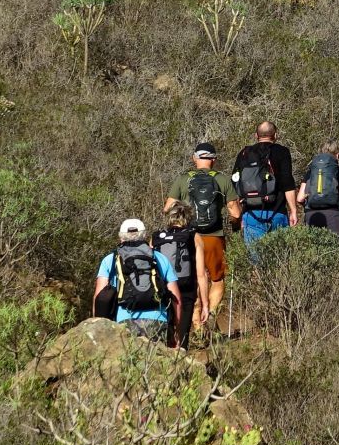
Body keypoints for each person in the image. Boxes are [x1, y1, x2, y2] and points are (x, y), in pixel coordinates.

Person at [163, 143, 238, 338]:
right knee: (217, 279)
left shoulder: (183, 179)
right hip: (214, 236)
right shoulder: (222, 179)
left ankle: (196, 323)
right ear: (214, 159)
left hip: (188, 237)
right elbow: (235, 212)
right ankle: (210, 315)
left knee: (194, 278)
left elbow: (167, 208)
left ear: (194, 158)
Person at [95, 219, 181, 343]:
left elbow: (99, 296)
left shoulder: (110, 259)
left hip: (124, 321)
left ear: (121, 237)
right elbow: (176, 299)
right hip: (158, 320)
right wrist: (176, 329)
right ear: (144, 235)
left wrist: (97, 326)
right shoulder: (160, 258)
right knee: (156, 355)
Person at [231, 121, 297, 246]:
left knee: (255, 255)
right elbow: (287, 182)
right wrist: (293, 210)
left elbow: (235, 183)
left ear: (256, 135)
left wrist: (239, 214)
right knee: (279, 255)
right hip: (277, 212)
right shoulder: (282, 152)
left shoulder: (244, 153)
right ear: (275, 135)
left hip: (250, 214)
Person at [151, 204, 200, 350]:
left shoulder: (157, 237)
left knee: (167, 327)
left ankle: (166, 352)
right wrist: (205, 303)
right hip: (186, 287)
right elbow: (202, 274)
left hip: (163, 286)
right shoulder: (193, 236)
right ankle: (182, 351)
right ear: (188, 218)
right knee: (183, 328)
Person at [298, 141, 339, 235]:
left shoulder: (311, 172)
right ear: (337, 154)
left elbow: (300, 198)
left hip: (312, 215)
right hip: (333, 216)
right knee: (334, 244)